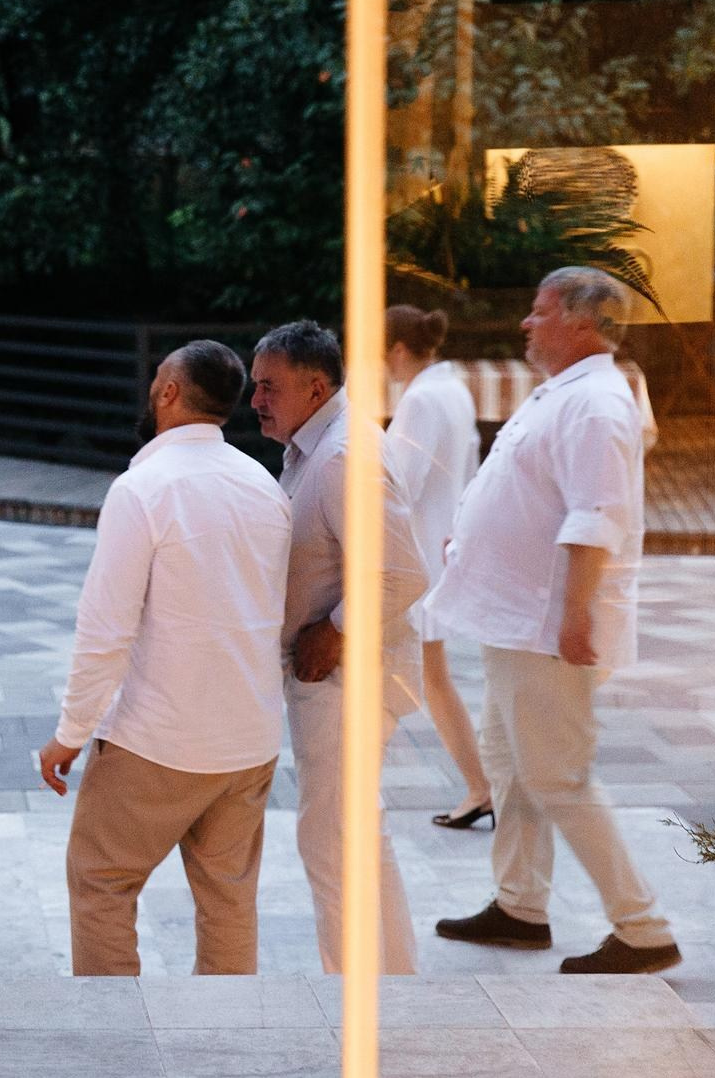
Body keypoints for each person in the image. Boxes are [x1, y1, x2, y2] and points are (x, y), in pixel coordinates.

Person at [429, 269, 680, 974]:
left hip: (545, 625)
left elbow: (595, 518)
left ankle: (643, 927)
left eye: (538, 313)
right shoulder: (567, 391)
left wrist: (575, 618)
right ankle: (519, 906)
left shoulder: (597, 403)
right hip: (514, 618)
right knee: (510, 766)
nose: (525, 324)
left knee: (557, 776)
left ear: (582, 322)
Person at [38, 341, 291, 976]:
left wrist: (70, 734)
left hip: (161, 741)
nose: (152, 390)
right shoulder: (264, 485)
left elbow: (104, 631)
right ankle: (225, 1040)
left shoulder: (143, 488)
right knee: (229, 902)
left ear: (171, 392)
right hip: (249, 740)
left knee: (101, 883)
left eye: (158, 380)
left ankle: (119, 1046)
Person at [251, 320, 426, 975]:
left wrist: (336, 629)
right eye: (255, 387)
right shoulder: (315, 448)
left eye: (270, 387)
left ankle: (357, 998)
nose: (256, 400)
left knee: (332, 840)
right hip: (333, 679)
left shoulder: (343, 455)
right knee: (351, 836)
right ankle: (387, 986)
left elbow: (399, 571)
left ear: (316, 385)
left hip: (350, 678)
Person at [385, 305, 490, 830]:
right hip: (440, 545)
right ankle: (480, 787)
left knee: (425, 675)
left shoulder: (423, 397)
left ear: (398, 349)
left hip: (418, 555)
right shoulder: (449, 388)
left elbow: (398, 483)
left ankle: (481, 786)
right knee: (432, 675)